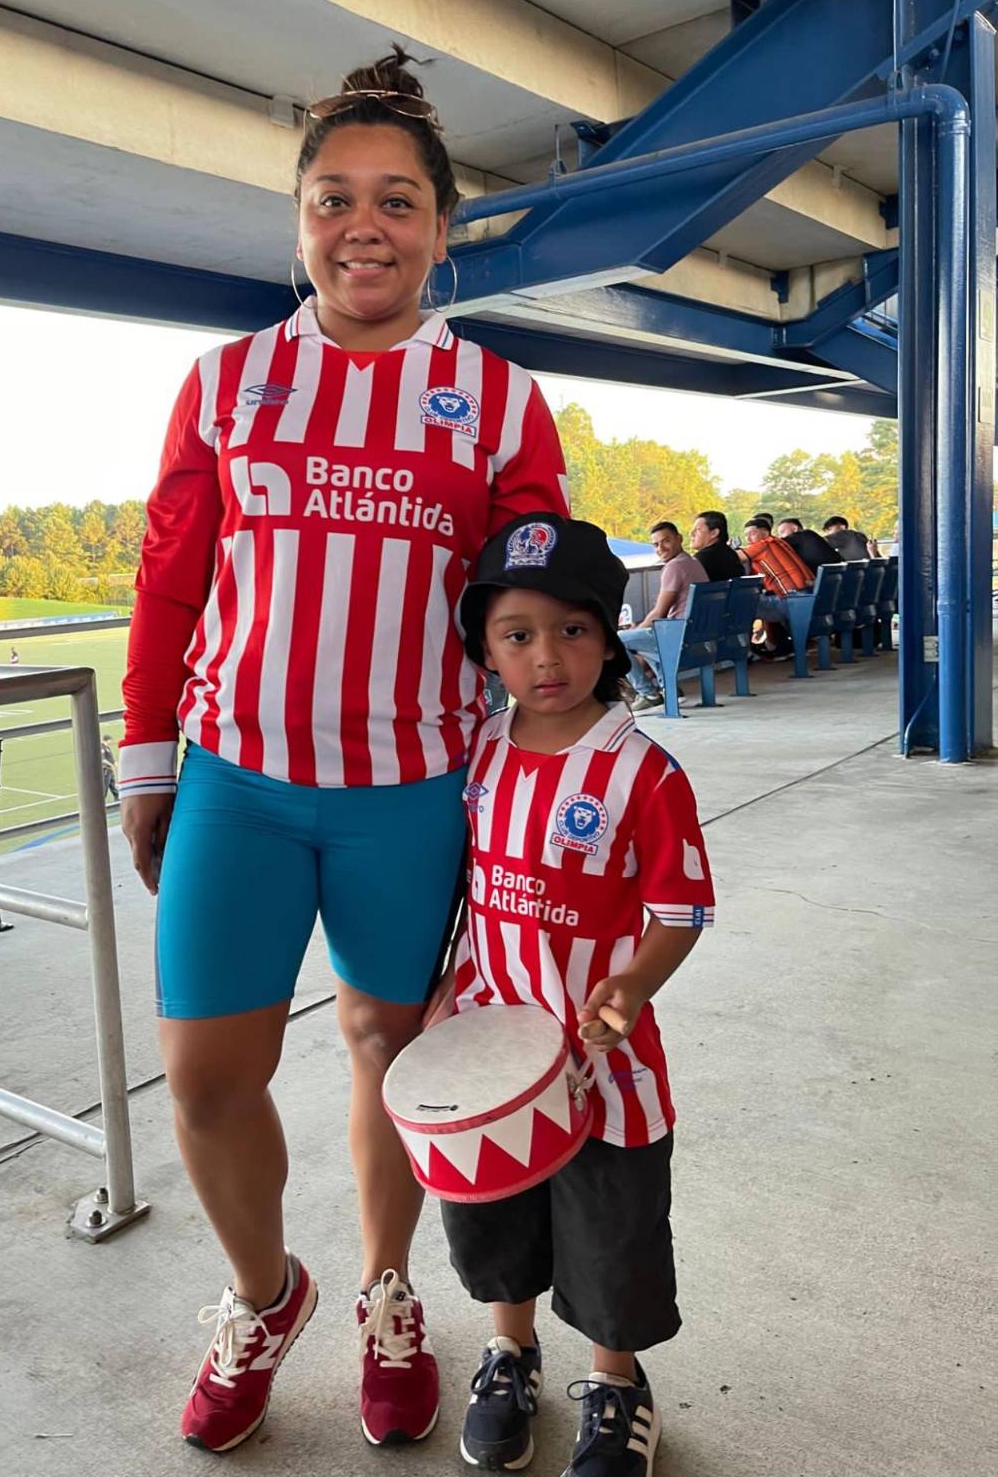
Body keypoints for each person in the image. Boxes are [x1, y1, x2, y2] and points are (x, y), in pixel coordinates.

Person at [118, 46, 570, 1454]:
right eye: (331, 198)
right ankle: (268, 1295)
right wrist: (148, 761)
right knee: (204, 1076)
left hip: (414, 790)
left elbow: (535, 608)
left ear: (440, 226)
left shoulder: (499, 400)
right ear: (298, 220)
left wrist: (541, 780)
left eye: (394, 200)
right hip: (239, 781)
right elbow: (171, 579)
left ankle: (387, 1293)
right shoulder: (226, 383)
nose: (361, 226)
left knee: (390, 1048)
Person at [424, 512, 713, 1477]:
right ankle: (510, 1355)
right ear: (486, 650)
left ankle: (616, 1383)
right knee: (494, 1212)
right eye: (518, 634)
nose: (547, 656)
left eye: (573, 630)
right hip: (487, 1049)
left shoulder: (644, 772)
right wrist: (440, 991)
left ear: (607, 631)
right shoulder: (481, 755)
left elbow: (679, 910)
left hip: (603, 1061)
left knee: (609, 1230)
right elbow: (463, 889)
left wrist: (630, 983)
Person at [617, 522, 708, 712]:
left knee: (614, 640)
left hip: (679, 639)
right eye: (656, 545)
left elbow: (660, 612)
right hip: (698, 637)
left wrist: (637, 629)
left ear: (679, 538)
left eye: (666, 541)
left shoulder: (674, 567)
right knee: (647, 635)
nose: (661, 548)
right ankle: (670, 688)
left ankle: (647, 692)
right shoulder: (693, 562)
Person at [738, 517, 813, 655]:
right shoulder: (779, 542)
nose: (748, 538)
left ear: (765, 532)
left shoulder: (763, 544)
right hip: (805, 597)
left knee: (742, 604)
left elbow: (735, 557)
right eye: (746, 535)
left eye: (752, 533)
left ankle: (745, 652)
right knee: (766, 596)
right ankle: (775, 645)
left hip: (791, 602)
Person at [688, 510, 744, 582]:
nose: (691, 534)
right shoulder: (731, 554)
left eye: (698, 529)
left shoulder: (703, 558)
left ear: (714, 533)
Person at [776, 517, 840, 572]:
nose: (780, 537)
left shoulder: (804, 535)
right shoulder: (809, 537)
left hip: (825, 579)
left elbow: (776, 543)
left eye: (782, 532)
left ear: (794, 528)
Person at [100, 736, 119, 803]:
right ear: (107, 740)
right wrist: (111, 764)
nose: (111, 742)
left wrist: (116, 764)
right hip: (106, 770)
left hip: (110, 770)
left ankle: (117, 798)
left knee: (113, 785)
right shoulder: (102, 747)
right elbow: (103, 759)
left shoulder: (107, 747)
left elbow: (111, 758)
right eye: (110, 740)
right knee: (105, 786)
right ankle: (101, 801)